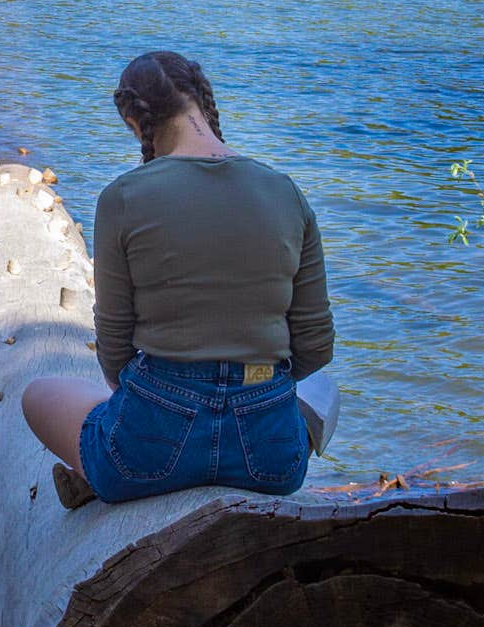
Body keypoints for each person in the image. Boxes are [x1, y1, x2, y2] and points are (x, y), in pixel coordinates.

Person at [21, 49, 336, 509]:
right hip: (270, 461)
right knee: (325, 390)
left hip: (148, 449)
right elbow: (316, 347)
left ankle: (96, 476)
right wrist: (250, 388)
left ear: (134, 122)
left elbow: (115, 349)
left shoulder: (122, 197)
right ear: (204, 103)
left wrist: (175, 399)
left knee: (40, 393)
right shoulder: (285, 191)